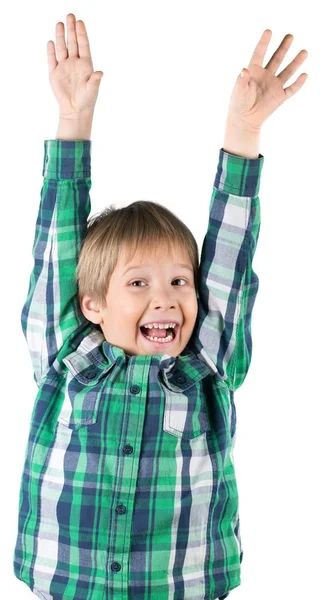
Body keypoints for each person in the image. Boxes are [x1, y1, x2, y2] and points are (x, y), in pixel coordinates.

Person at [12, 13, 308, 600]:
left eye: (178, 282)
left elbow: (230, 257)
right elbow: (57, 246)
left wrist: (242, 131)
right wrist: (74, 119)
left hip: (184, 586)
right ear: (93, 304)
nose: (167, 298)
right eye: (139, 285)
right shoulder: (64, 355)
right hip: (69, 585)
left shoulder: (207, 366)